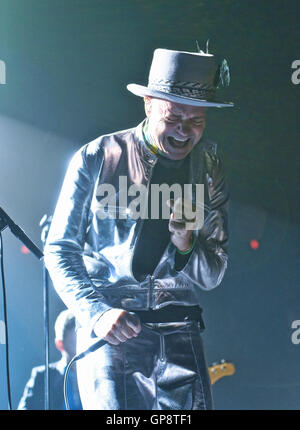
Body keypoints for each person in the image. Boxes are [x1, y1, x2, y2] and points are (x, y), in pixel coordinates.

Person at [44, 45, 233, 410]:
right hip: (112, 338)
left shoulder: (209, 164)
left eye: (196, 121)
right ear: (148, 103)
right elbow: (59, 249)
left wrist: (185, 243)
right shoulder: (98, 156)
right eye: (174, 116)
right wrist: (96, 314)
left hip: (181, 334)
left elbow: (213, 275)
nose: (183, 131)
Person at [18, 309, 82, 410]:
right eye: (75, 343)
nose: (81, 348)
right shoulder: (43, 376)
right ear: (60, 344)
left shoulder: (99, 372)